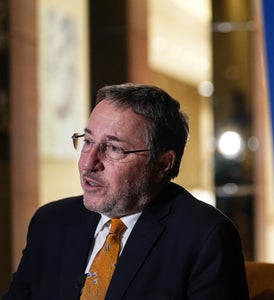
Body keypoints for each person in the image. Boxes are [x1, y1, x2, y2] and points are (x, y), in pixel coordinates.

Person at [4, 83, 249, 299]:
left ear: (163, 164)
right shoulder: (50, 222)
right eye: (88, 141)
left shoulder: (205, 237)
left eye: (113, 149)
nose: (89, 163)